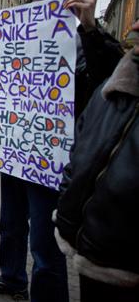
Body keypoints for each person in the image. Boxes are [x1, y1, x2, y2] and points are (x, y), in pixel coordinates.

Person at [0, 0, 123, 301]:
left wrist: (92, 28)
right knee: (10, 225)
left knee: (44, 242)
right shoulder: (17, 51)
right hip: (15, 155)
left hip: (52, 163)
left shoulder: (86, 50)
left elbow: (108, 74)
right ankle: (12, 278)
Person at [54, 21, 139, 301]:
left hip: (123, 263)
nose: (135, 23)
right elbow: (82, 151)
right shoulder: (110, 88)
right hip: (89, 247)